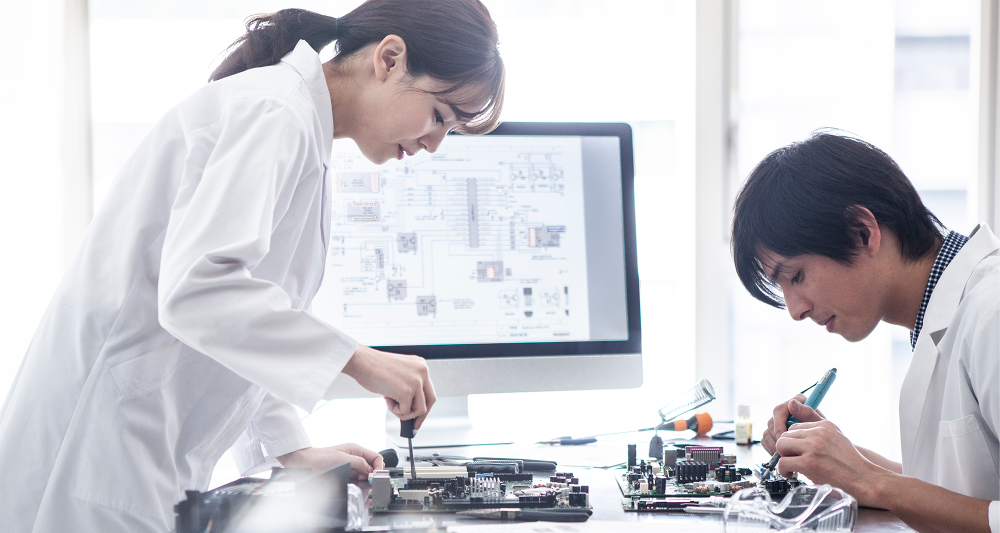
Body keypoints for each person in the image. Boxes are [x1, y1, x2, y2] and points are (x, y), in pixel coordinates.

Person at [0, 1, 505, 531]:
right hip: (96, 457)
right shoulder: (275, 112)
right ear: (390, 58)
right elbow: (198, 291)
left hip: (138, 453)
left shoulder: (301, 127)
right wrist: (357, 359)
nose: (433, 144)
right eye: (441, 116)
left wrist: (292, 451)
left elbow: (246, 327)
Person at [731, 132, 998, 533]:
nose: (795, 310)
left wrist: (868, 480)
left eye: (796, 276)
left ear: (862, 231)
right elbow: (957, 490)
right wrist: (840, 460)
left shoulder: (991, 313)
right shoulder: (943, 315)